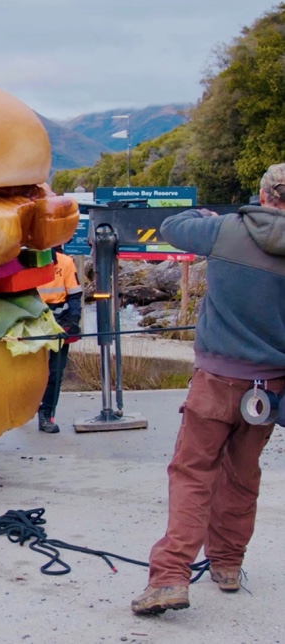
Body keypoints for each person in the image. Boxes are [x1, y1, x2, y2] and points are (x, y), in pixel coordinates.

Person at [131, 163, 285, 615]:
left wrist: (201, 215)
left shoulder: (225, 231)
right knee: (243, 476)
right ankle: (228, 566)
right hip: (269, 390)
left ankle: (171, 577)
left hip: (216, 381)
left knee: (193, 476)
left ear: (262, 193)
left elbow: (172, 226)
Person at [35, 249, 82, 433]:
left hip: (60, 321)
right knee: (28, 372)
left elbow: (74, 295)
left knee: (56, 372)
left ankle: (47, 414)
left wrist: (73, 321)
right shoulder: (27, 261)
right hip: (33, 319)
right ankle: (26, 408)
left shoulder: (65, 262)